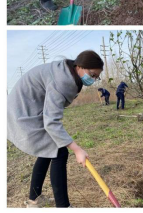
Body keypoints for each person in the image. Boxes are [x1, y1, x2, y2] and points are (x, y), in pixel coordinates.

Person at [7, 51, 103, 208]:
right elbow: (51, 122)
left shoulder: (65, 71)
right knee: (60, 150)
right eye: (92, 75)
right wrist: (77, 149)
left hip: (26, 111)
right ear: (79, 66)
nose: (93, 80)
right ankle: (63, 206)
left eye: (96, 77)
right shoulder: (62, 81)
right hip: (21, 115)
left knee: (49, 150)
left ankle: (34, 200)